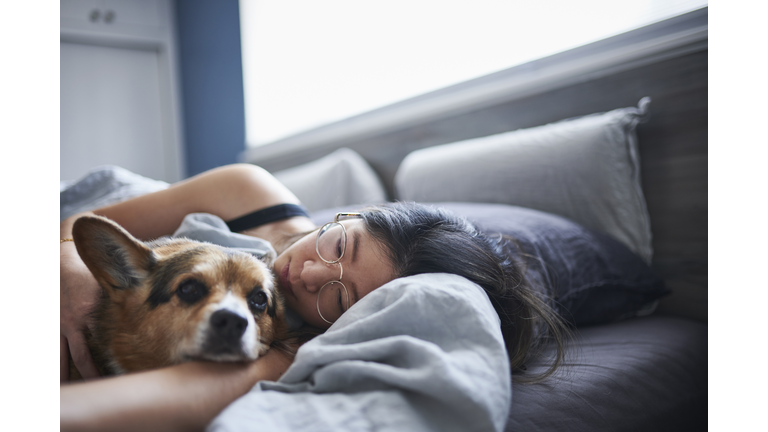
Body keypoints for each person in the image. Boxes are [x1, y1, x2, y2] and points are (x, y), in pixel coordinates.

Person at [60, 163, 568, 431]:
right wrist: (68, 270)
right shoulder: (247, 188)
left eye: (339, 298)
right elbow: (67, 233)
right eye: (338, 244)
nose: (306, 272)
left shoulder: (291, 341)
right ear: (350, 215)